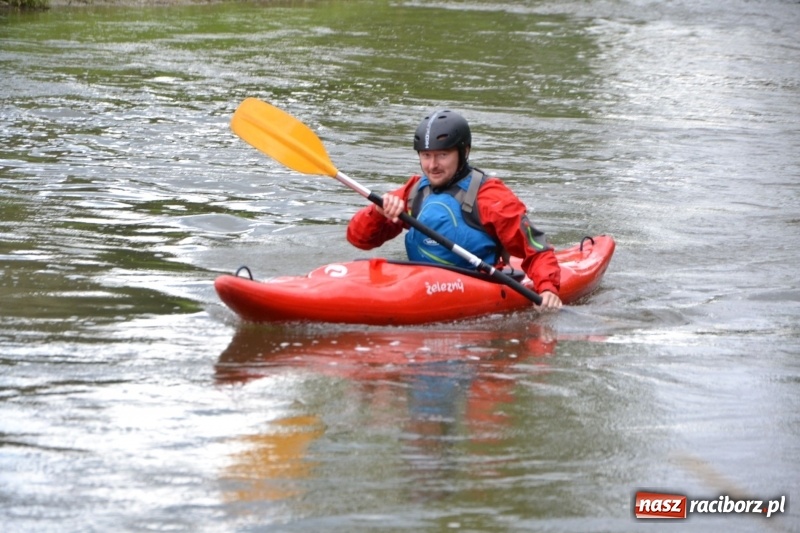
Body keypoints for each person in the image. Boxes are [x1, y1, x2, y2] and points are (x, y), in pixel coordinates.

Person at [346, 109, 562, 311]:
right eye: (426, 155)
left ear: (464, 152)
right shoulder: (414, 192)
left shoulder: (491, 196)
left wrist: (548, 287)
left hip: (475, 284)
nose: (432, 165)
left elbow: (534, 246)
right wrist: (377, 212)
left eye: (442, 155)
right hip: (418, 284)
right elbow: (359, 240)